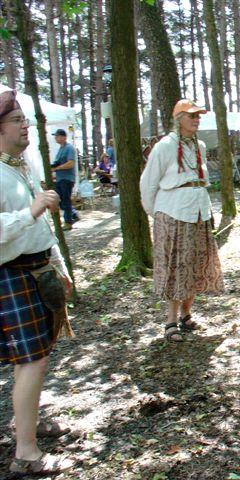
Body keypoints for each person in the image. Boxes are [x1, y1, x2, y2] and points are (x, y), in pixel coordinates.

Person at [0, 91, 74, 475]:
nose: (25, 127)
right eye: (17, 121)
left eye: (25, 120)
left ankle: (24, 424)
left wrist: (58, 265)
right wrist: (30, 211)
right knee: (32, 361)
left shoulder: (22, 166)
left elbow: (41, 223)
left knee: (32, 359)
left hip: (37, 269)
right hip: (11, 275)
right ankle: (26, 454)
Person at [140, 99, 224, 342]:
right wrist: (157, 213)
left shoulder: (200, 146)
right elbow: (148, 183)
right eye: (192, 116)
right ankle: (170, 321)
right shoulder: (164, 147)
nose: (197, 120)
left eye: (198, 116)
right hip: (173, 213)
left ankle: (186, 315)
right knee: (176, 266)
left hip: (198, 212)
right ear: (179, 119)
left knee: (195, 263)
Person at [51, 128, 78, 231]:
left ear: (64, 137)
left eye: (57, 136)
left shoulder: (69, 148)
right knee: (60, 200)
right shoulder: (60, 149)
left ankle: (68, 222)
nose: (56, 138)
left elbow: (70, 163)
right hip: (60, 178)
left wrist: (57, 168)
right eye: (55, 136)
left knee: (65, 200)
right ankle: (74, 214)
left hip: (67, 178)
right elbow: (58, 163)